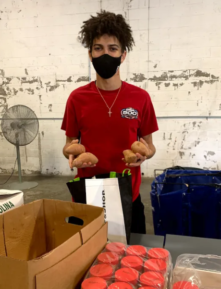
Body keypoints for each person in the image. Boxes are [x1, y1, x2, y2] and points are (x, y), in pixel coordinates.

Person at [61, 10, 158, 234]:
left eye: (112, 48)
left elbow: (150, 146)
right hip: (87, 194)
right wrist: (71, 156)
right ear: (90, 54)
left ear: (123, 55)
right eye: (98, 48)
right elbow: (69, 146)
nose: (105, 54)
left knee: (132, 259)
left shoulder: (140, 98)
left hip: (127, 194)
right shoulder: (77, 98)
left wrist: (145, 154)